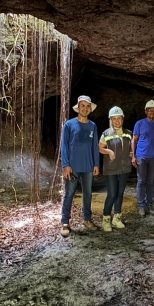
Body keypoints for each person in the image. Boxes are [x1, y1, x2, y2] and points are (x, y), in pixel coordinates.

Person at [60, 95, 100, 237]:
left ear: (90, 109)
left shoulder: (92, 126)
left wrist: (96, 163)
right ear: (78, 108)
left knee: (88, 193)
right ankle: (65, 222)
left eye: (87, 106)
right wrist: (66, 165)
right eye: (82, 105)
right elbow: (64, 146)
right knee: (70, 193)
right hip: (73, 166)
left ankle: (87, 219)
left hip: (88, 166)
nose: (85, 108)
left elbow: (95, 146)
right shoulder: (69, 125)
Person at [98, 106, 133, 232]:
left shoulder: (128, 133)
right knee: (112, 194)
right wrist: (108, 151)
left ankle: (117, 217)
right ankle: (106, 219)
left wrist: (131, 153)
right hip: (111, 168)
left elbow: (131, 147)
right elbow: (99, 147)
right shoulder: (106, 134)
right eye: (114, 119)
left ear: (122, 119)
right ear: (111, 120)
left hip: (124, 168)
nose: (117, 121)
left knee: (120, 193)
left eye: (119, 118)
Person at [132, 100, 154, 217]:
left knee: (150, 182)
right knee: (141, 181)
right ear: (145, 111)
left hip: (153, 157)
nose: (151, 112)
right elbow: (134, 139)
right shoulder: (139, 124)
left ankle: (149, 204)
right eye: (149, 110)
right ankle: (141, 205)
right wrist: (133, 155)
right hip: (141, 156)